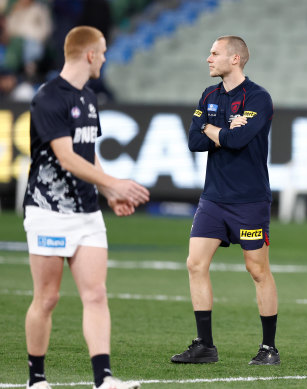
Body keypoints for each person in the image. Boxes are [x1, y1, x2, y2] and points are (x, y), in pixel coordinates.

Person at [23, 26, 149, 389]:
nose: (106, 58)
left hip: (88, 212)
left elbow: (86, 154)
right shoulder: (48, 97)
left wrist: (108, 193)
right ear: (90, 54)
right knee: (46, 299)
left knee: (95, 294)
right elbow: (64, 157)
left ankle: (104, 379)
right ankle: (36, 380)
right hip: (49, 211)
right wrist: (114, 183)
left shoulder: (90, 97)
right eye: (104, 51)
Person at [170, 35, 280, 366]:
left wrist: (210, 128)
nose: (208, 58)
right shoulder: (209, 95)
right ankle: (205, 345)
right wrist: (219, 130)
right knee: (195, 263)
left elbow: (238, 139)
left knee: (257, 270)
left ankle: (268, 349)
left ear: (235, 59)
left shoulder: (259, 98)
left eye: (215, 53)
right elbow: (193, 140)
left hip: (249, 200)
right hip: (213, 199)